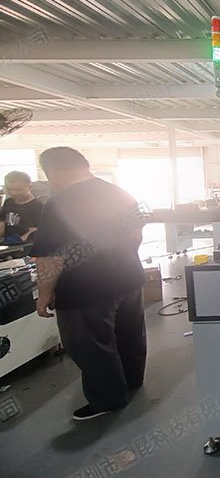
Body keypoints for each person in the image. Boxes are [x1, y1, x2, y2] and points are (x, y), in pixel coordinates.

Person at [30, 147, 147, 421]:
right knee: (129, 335)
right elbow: (137, 235)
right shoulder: (119, 193)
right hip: (128, 278)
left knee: (91, 344)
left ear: (52, 171)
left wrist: (44, 294)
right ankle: (132, 381)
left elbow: (50, 257)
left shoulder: (58, 203)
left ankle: (107, 399)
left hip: (84, 288)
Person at [0, 171, 43, 244]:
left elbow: (36, 231)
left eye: (18, 190)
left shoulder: (38, 207)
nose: (13, 193)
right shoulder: (8, 202)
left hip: (24, 246)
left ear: (30, 187)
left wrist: (18, 240)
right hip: (7, 244)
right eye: (9, 189)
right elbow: (3, 224)